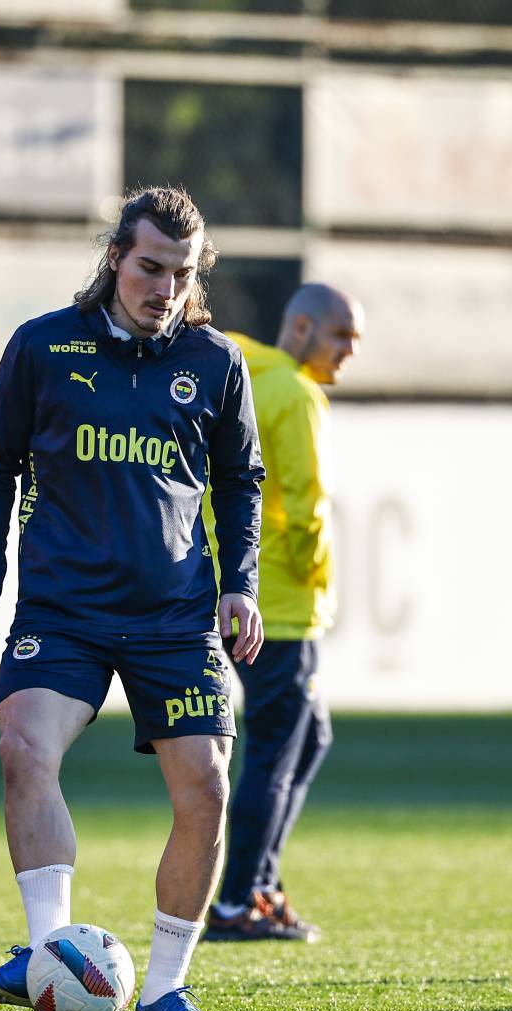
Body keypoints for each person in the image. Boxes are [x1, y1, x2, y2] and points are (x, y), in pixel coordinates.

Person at [0, 186, 265, 1011]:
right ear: (116, 260)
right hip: (65, 607)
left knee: (205, 789)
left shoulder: (214, 361)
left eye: (181, 273)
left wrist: (241, 581)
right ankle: (48, 953)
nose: (164, 288)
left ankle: (163, 993)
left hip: (175, 615)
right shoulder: (43, 347)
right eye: (150, 267)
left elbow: (241, 482)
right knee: (23, 747)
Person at [203, 284, 363, 943]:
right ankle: (239, 899)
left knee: (309, 736)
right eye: (340, 336)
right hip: (283, 604)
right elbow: (305, 502)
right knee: (275, 748)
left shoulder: (243, 370)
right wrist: (314, 574)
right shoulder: (296, 393)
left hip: (233, 587)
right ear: (299, 328)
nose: (349, 351)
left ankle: (259, 885)